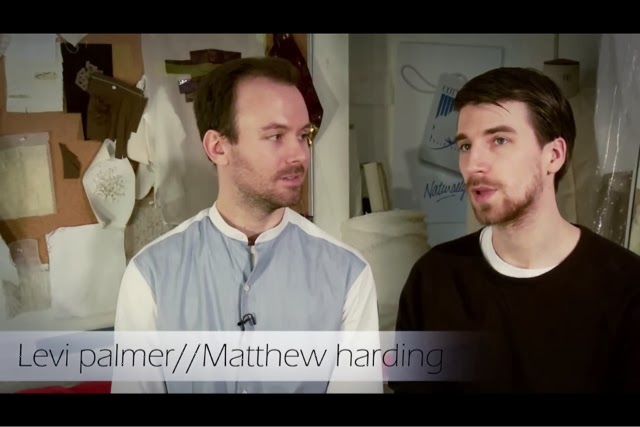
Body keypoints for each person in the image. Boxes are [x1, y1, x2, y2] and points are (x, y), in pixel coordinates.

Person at [111, 56, 382, 394]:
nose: (300, 154)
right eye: (276, 136)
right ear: (218, 147)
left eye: (304, 135)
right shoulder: (149, 276)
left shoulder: (349, 275)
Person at [389, 67, 640, 393]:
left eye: (499, 140)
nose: (474, 164)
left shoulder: (626, 286)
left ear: (553, 156)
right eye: (465, 146)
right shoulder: (432, 279)